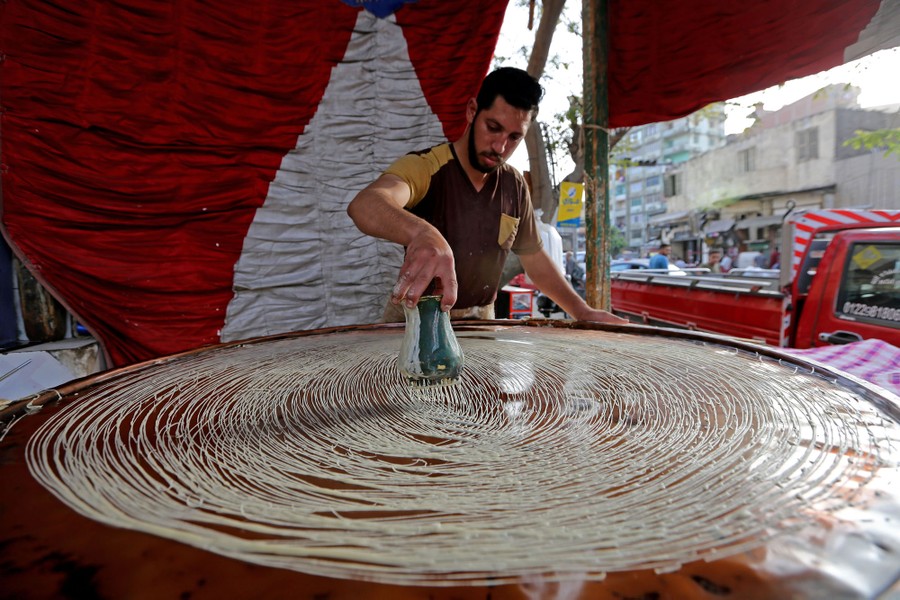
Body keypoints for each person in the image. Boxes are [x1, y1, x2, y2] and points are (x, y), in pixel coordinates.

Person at [347, 67, 624, 324]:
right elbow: (365, 204)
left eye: (515, 137)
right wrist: (421, 233)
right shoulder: (427, 167)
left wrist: (582, 311)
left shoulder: (514, 185)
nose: (500, 146)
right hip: (416, 320)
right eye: (493, 128)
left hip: (482, 322)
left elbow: (535, 259)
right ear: (471, 111)